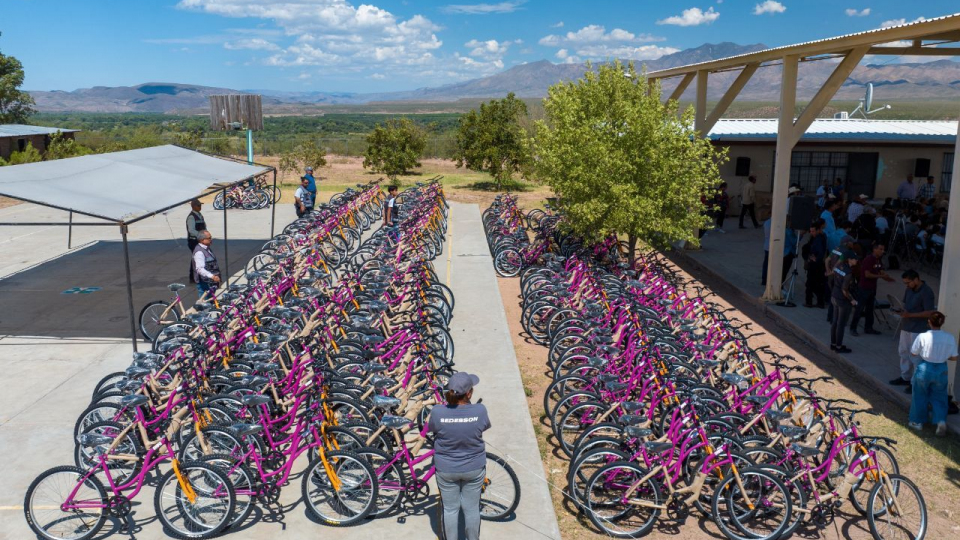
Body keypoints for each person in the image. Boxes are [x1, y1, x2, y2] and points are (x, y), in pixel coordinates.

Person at [428, 372, 490, 540]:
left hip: (446, 469)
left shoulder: (437, 411)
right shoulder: (480, 410)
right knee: (471, 509)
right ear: (469, 393)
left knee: (450, 509)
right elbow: (483, 427)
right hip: (474, 468)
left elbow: (431, 429)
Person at [908, 312, 957, 437]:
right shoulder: (949, 337)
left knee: (920, 395)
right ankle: (940, 421)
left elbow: (913, 353)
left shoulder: (922, 336)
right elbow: (954, 357)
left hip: (925, 367)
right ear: (942, 322)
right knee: (940, 396)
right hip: (941, 368)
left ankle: (917, 422)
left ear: (929, 322)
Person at [890, 270, 937, 393]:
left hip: (919, 329)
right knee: (903, 352)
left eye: (908, 282)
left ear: (916, 279)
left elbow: (930, 312)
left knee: (916, 357)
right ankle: (905, 377)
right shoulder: (909, 289)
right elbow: (905, 304)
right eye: (905, 283)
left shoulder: (927, 292)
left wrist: (909, 314)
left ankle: (915, 382)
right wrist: (899, 310)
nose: (907, 285)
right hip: (906, 326)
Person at [850, 242, 894, 336]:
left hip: (872, 288)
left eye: (883, 249)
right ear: (875, 249)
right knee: (860, 308)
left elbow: (880, 270)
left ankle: (868, 327)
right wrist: (880, 276)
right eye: (881, 249)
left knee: (870, 309)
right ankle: (853, 328)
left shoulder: (878, 260)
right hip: (864, 288)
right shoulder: (869, 259)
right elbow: (867, 274)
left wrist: (886, 276)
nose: (883, 251)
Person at [829, 249, 859, 353]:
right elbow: (844, 289)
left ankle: (833, 344)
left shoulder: (838, 267)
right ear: (849, 260)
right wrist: (852, 300)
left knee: (834, 322)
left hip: (834, 295)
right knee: (841, 324)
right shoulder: (848, 273)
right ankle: (838, 346)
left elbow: (832, 280)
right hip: (842, 299)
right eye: (855, 259)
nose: (857, 261)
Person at [192, 230, 221, 298]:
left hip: (210, 283)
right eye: (209, 238)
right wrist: (212, 276)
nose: (211, 239)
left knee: (210, 302)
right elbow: (200, 269)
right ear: (202, 240)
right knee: (205, 305)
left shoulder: (207, 249)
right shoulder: (199, 252)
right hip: (204, 283)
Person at [185, 198, 207, 284]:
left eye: (200, 205)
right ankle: (193, 277)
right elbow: (191, 230)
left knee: (199, 259)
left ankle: (198, 276)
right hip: (194, 241)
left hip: (200, 240)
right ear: (193, 206)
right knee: (196, 259)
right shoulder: (191, 217)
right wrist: (201, 236)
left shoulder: (200, 215)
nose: (200, 207)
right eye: (198, 205)